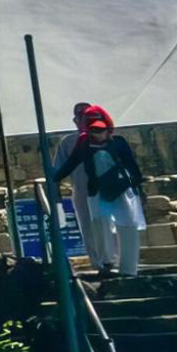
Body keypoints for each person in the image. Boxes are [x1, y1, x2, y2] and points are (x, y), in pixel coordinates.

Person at [54, 105, 148, 276]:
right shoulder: (79, 143)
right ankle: (105, 263)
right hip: (94, 191)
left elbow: (131, 165)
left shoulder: (118, 142)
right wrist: (53, 181)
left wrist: (139, 189)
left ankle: (128, 268)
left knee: (127, 225)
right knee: (98, 226)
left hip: (121, 190)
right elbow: (68, 165)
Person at [56, 102, 106, 267]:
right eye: (80, 117)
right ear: (75, 120)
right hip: (82, 190)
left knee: (110, 225)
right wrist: (55, 190)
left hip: (106, 189)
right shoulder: (68, 142)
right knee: (88, 227)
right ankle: (98, 263)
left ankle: (114, 261)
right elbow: (59, 168)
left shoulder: (106, 136)